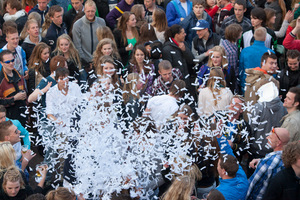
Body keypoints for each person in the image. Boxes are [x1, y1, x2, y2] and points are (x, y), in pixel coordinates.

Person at [246, 127, 290, 200]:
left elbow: (252, 186)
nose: (267, 138)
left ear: (278, 143)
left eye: (271, 137)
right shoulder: (289, 156)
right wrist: (261, 160)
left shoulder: (268, 162)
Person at [239, 27, 275, 93]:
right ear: (265, 38)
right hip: (265, 86)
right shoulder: (270, 52)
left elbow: (241, 70)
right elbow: (273, 72)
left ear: (254, 37)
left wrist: (242, 84)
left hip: (248, 85)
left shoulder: (245, 51)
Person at [216, 132, 249, 200]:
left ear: (223, 171)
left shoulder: (219, 193)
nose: (217, 168)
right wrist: (220, 137)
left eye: (218, 166)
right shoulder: (242, 178)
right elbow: (229, 153)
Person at [162, 24, 194, 90]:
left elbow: (192, 60)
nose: (185, 34)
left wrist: (185, 51)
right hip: (176, 84)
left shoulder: (184, 44)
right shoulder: (167, 49)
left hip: (187, 81)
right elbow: (168, 68)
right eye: (183, 33)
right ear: (177, 35)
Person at [0, 50, 27, 126]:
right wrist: (14, 98)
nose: (11, 63)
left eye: (12, 60)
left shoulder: (19, 75)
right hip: (8, 118)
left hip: (23, 114)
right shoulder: (1, 79)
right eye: (7, 62)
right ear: (1, 63)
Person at [220, 24, 243, 93]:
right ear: (236, 35)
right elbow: (233, 70)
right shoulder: (231, 52)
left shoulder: (223, 42)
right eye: (240, 32)